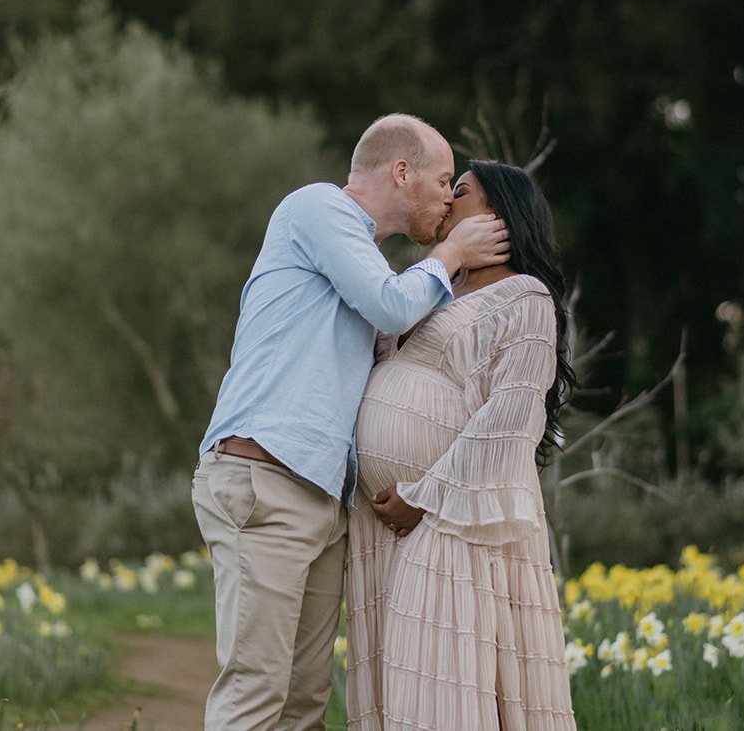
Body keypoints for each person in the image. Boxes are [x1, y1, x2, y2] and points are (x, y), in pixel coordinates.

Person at [194, 114, 511, 731]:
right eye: (443, 179)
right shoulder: (317, 209)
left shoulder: (361, 260)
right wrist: (450, 255)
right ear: (402, 172)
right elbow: (391, 308)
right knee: (256, 695)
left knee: (303, 706)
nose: (449, 197)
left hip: (318, 497)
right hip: (266, 480)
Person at [347, 159, 578, 730]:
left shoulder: (525, 298)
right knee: (396, 686)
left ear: (500, 214)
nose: (446, 199)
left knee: (446, 686)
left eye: (462, 191)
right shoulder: (430, 286)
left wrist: (426, 496)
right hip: (383, 526)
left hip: (454, 519)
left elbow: (511, 419)